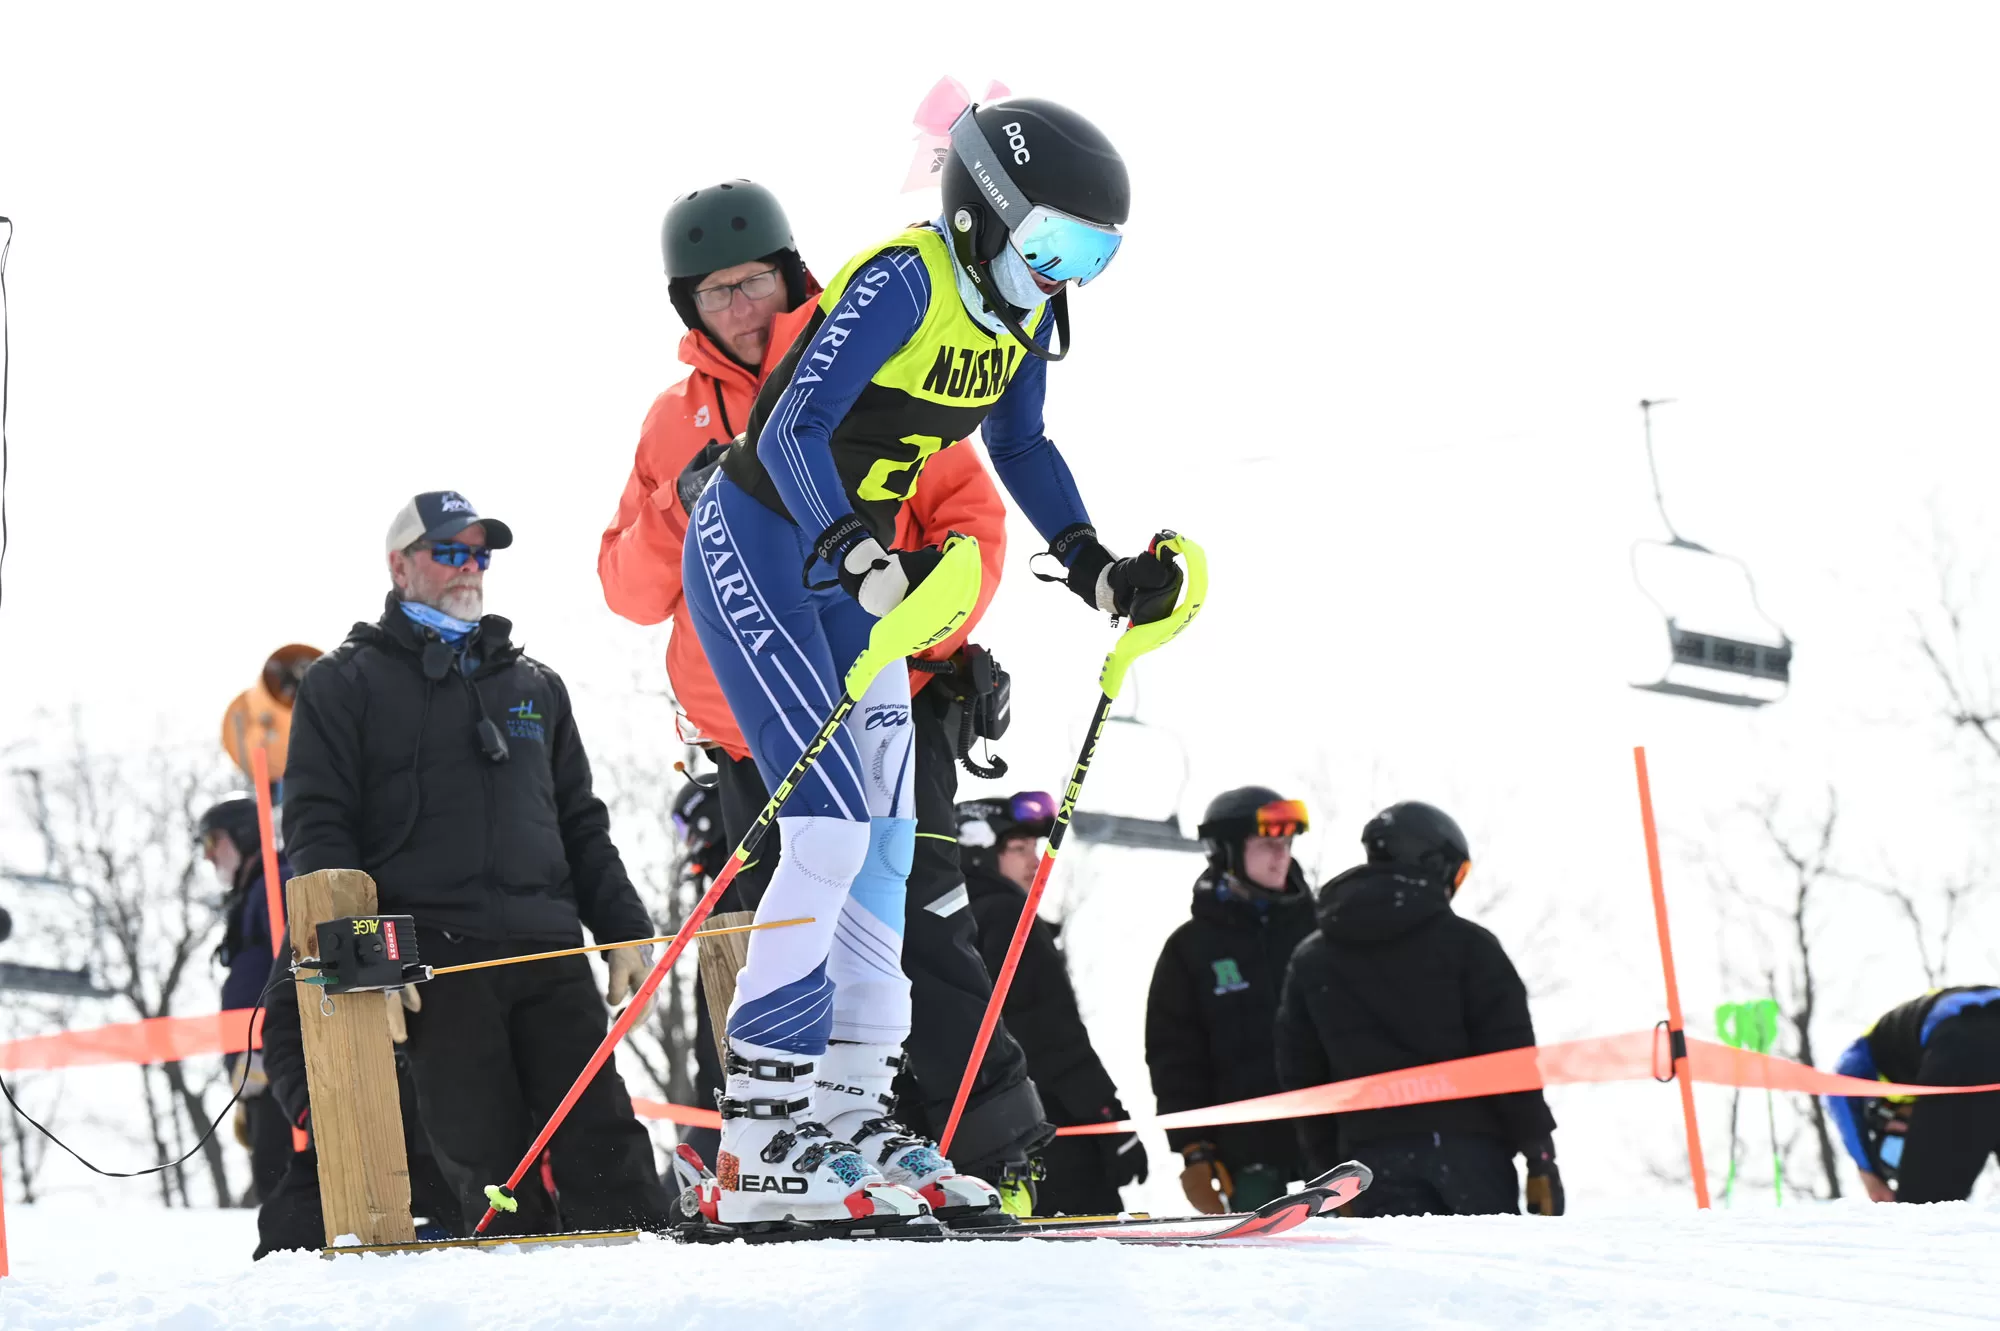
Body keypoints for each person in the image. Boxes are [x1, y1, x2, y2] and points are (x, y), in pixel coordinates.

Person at [683, 95, 1182, 1225]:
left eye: (1090, 257)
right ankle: (759, 1134)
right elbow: (790, 428)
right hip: (759, 545)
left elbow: (1021, 442)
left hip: (855, 583)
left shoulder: (1019, 319)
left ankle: (851, 1111)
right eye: (1051, 244)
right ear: (979, 215)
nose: (1061, 275)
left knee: (888, 846)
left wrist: (1096, 568)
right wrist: (854, 546)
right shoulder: (906, 279)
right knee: (821, 832)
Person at [599, 179, 1052, 1205]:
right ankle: (790, 1137)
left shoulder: (870, 351)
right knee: (791, 916)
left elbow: (971, 524)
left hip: (882, 683)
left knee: (917, 913)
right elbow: (627, 588)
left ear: (790, 274)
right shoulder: (671, 419)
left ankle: (988, 1147)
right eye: (713, 293)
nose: (738, 308)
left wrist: (931, 633)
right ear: (687, 305)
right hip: (741, 727)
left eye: (753, 282)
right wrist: (684, 499)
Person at [282, 489, 672, 1236]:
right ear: (399, 567)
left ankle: (645, 1278)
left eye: (480, 554)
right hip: (436, 962)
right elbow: (318, 833)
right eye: (449, 551)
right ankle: (515, 1288)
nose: (470, 567)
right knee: (490, 1169)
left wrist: (625, 929)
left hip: (549, 949)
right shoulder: (344, 681)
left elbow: (582, 823)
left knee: (607, 1146)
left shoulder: (535, 685)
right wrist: (367, 964)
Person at [1274, 801, 1562, 1218]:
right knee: (1485, 1263)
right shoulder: (1470, 947)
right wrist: (1539, 1155)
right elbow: (1509, 1060)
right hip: (1471, 1160)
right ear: (1433, 864)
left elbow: (1302, 1075)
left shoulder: (1311, 958)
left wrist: (1330, 1174)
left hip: (1367, 1166)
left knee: (1396, 1265)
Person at [957, 794, 1146, 1215]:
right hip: (1050, 1131)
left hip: (975, 1137)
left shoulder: (940, 923)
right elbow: (1053, 1034)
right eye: (1019, 849)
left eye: (1036, 848)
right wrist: (1108, 1119)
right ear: (977, 853)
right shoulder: (1009, 915)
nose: (1035, 861)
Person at [1145, 786, 1319, 1214]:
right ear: (1225, 852)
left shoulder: (1321, 933)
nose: (1281, 856)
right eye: (1267, 845)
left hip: (1332, 1153)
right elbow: (1175, 1059)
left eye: (1287, 844)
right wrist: (1193, 1148)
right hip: (1248, 1160)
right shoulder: (1190, 949)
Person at [197, 794, 291, 1202]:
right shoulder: (252, 895)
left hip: (279, 1069)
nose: (208, 856)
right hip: (260, 1075)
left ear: (245, 835)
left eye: (212, 841)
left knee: (285, 1185)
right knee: (273, 1183)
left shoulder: (276, 886)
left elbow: (293, 964)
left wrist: (270, 1050)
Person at [1826, 986, 2000, 1203]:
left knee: (1921, 1207)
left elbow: (1837, 1091)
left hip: (1962, 1039)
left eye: (1896, 1142)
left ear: (1886, 1111)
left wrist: (1869, 1173)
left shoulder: (1869, 1050)